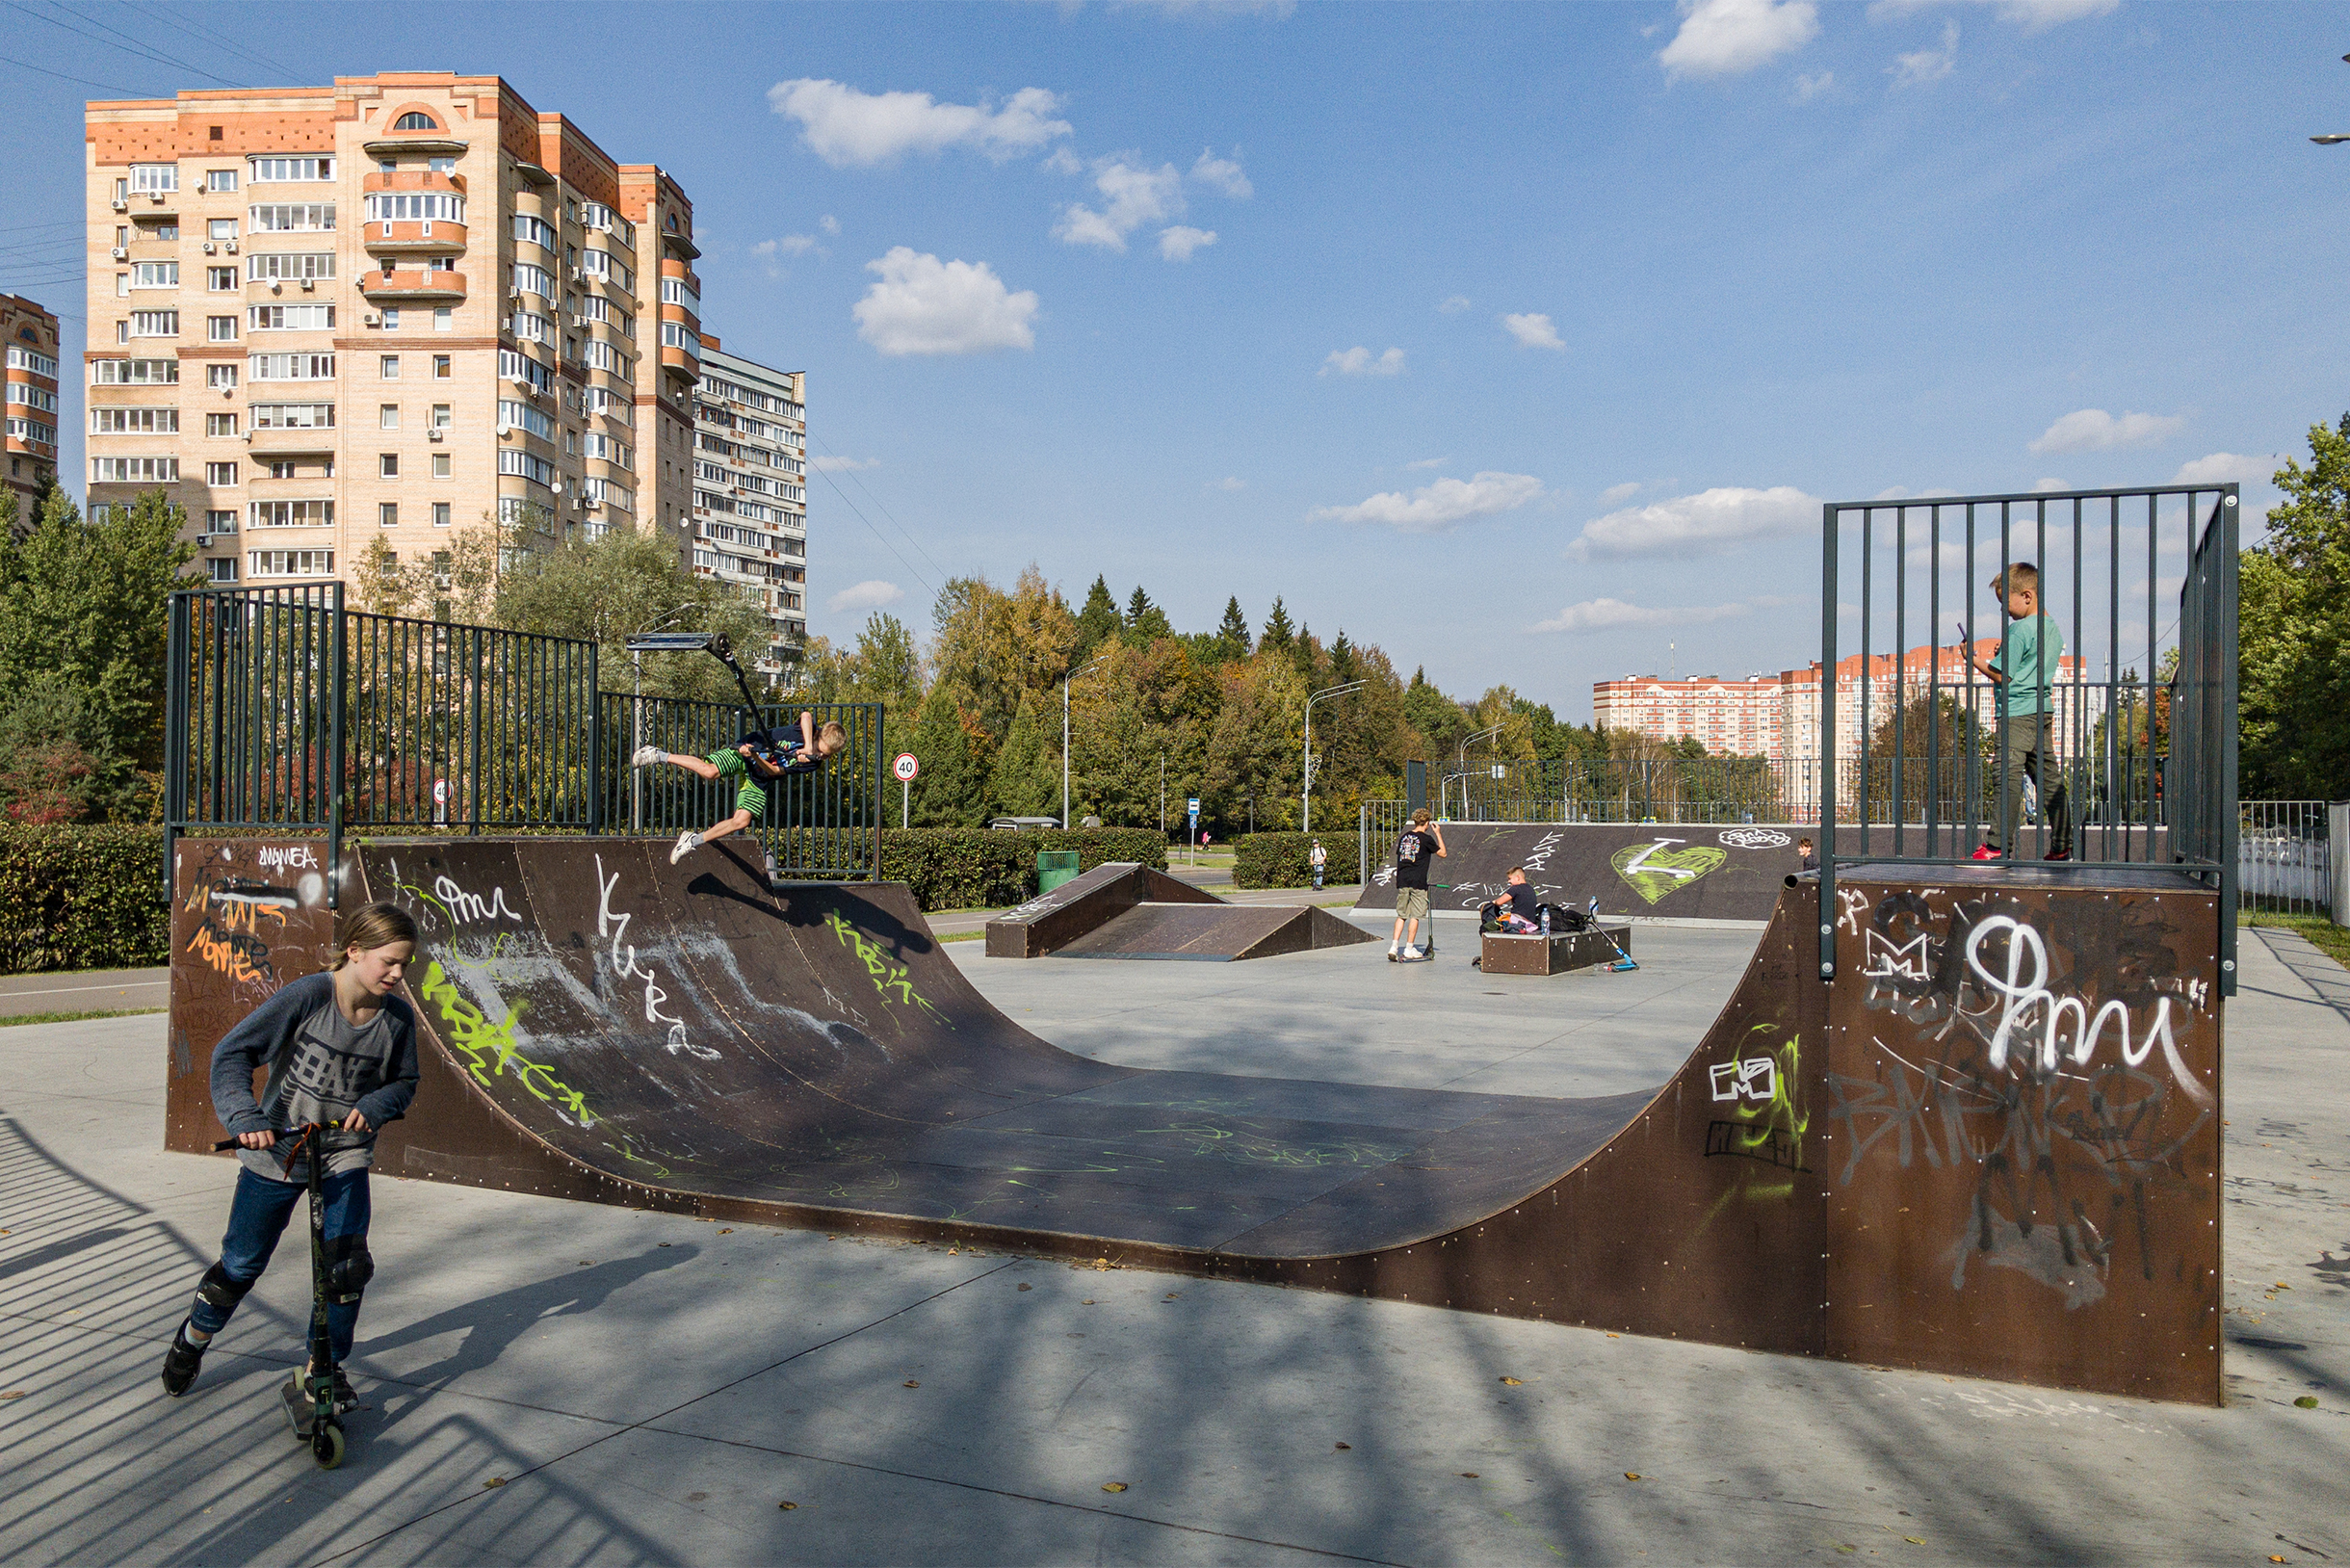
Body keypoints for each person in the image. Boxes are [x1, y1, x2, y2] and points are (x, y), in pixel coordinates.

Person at [160, 902, 421, 1412]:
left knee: (345, 1269)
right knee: (241, 1264)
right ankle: (194, 1337)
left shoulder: (397, 1019)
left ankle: (323, 1368)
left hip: (343, 1155)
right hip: (277, 1153)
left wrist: (376, 1104)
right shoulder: (308, 997)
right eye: (389, 961)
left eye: (405, 965)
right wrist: (245, 1119)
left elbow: (404, 1082)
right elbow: (231, 1053)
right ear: (354, 951)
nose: (397, 973)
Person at [1961, 564, 2073, 862]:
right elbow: (2028, 664)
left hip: (2016, 713)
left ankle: (1996, 846)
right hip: (2041, 710)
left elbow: (2003, 676)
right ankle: (2062, 845)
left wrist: (1972, 659)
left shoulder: (2020, 629)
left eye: (2005, 604)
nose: (2004, 612)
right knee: (2049, 779)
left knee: (2006, 776)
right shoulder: (2052, 629)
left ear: (2026, 595)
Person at [634, 710, 846, 865]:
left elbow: (774, 772)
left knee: (742, 820)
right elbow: (807, 715)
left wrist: (758, 757)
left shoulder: (813, 764)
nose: (820, 756)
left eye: (826, 756)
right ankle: (658, 754)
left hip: (760, 775)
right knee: (710, 772)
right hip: (743, 753)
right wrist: (808, 746)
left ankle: (692, 840)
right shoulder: (804, 732)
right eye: (821, 750)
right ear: (818, 736)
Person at [1389, 808, 1446, 960]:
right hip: (1418, 882)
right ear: (1427, 823)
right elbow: (1443, 853)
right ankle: (1409, 948)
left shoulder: (1404, 837)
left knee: (1401, 915)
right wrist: (1438, 833)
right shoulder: (1426, 839)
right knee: (1415, 915)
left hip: (1402, 880)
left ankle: (1394, 947)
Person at [1483, 867, 1541, 933]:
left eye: (1510, 879)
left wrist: (1493, 902)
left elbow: (1499, 902)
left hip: (1517, 923)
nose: (1509, 881)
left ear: (1518, 878)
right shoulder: (1531, 889)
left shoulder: (1515, 889)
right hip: (1530, 924)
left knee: (1485, 927)